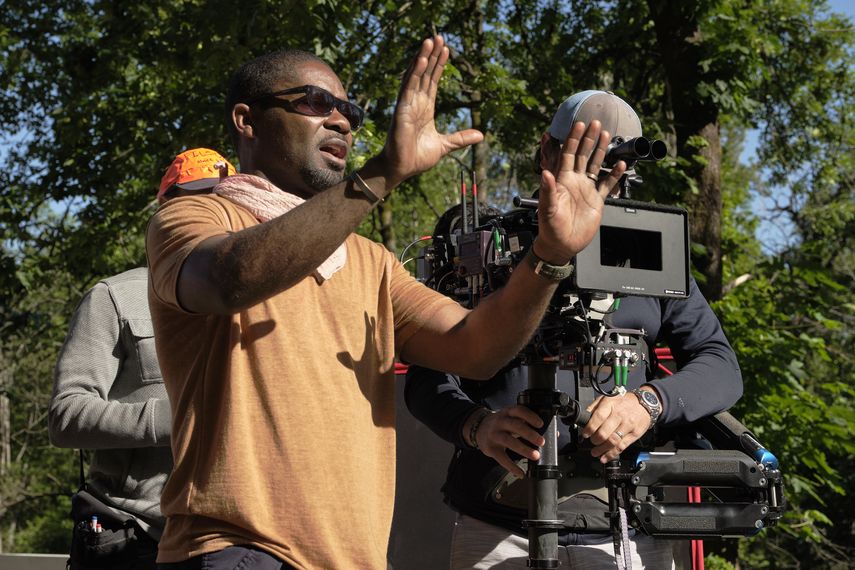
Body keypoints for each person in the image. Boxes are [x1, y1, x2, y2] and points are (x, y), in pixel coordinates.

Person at [144, 36, 629, 570]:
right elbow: (231, 278)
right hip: (237, 551)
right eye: (314, 102)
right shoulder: (197, 220)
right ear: (247, 120)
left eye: (349, 110)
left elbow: (477, 348)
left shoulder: (370, 262)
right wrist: (382, 173)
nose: (342, 122)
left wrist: (548, 256)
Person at [404, 90, 744, 569]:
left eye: (613, 168)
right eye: (581, 157)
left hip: (626, 526)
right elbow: (425, 377)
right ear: (547, 151)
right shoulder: (487, 250)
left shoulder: (654, 256)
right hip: (497, 526)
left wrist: (647, 403)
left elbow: (720, 366)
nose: (601, 178)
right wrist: (476, 425)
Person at [49, 148, 235, 569]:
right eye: (194, 198)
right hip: (134, 535)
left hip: (230, 538)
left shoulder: (262, 303)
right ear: (165, 210)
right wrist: (172, 418)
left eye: (223, 199)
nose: (210, 209)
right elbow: (65, 416)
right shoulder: (115, 296)